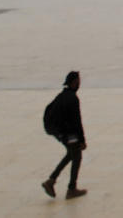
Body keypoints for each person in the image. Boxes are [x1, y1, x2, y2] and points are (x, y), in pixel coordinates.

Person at [42, 71, 88, 200]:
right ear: (74, 82)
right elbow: (76, 122)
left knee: (71, 154)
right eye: (78, 81)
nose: (79, 83)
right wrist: (82, 140)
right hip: (69, 134)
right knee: (76, 156)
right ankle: (71, 189)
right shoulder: (72, 99)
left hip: (60, 132)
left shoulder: (62, 95)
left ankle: (51, 181)